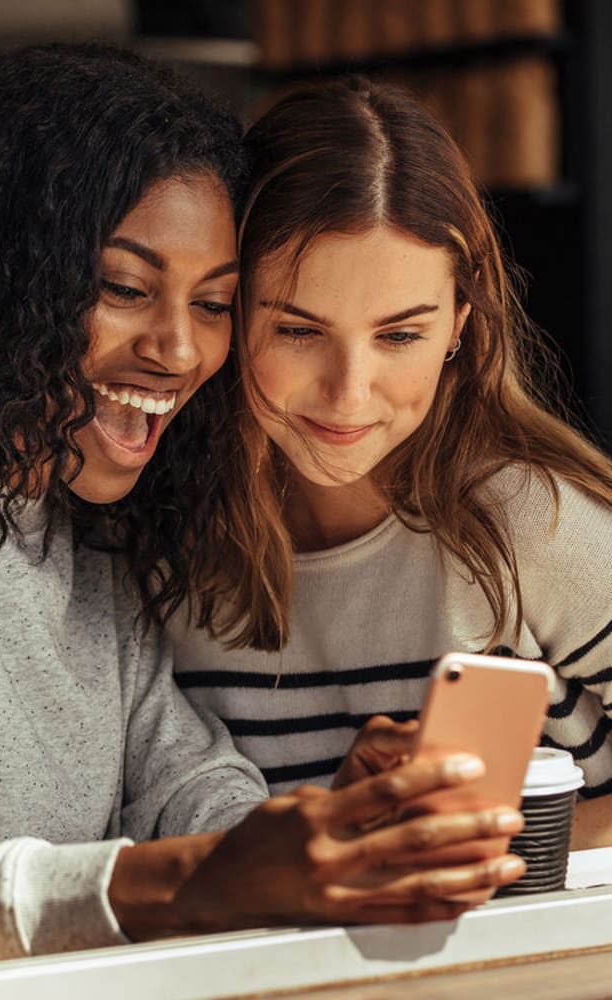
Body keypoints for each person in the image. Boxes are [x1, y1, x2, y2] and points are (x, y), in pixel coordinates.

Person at [0, 48, 526, 966]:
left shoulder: (87, 527)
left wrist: (326, 834)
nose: (180, 350)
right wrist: (189, 881)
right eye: (124, 288)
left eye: (217, 303)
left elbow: (184, 784)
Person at [168, 76, 612, 851]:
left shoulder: (530, 525)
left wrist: (502, 846)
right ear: (227, 313)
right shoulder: (159, 547)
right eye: (299, 331)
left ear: (459, 328)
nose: (350, 394)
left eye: (400, 335)